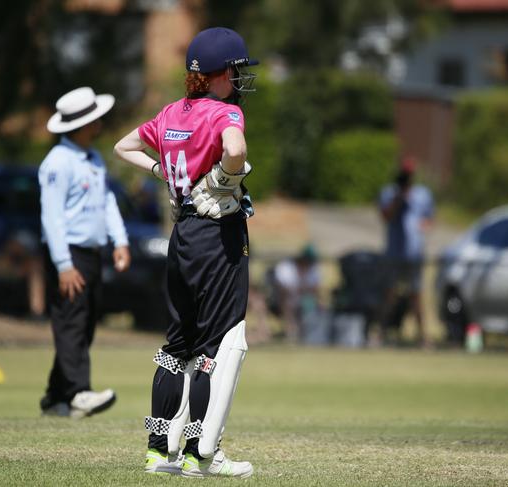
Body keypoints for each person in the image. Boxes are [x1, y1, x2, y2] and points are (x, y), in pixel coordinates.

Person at [114, 27, 257, 478]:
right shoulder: (225, 112)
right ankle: (202, 453)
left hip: (183, 235)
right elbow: (235, 150)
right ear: (218, 74)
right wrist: (224, 178)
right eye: (234, 70)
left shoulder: (173, 111)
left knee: (176, 347)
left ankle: (159, 449)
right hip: (218, 239)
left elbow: (124, 147)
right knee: (219, 347)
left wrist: (162, 170)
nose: (237, 78)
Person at [38, 87, 131, 418]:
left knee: (86, 322)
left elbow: (106, 202)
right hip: (68, 255)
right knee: (71, 323)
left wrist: (119, 241)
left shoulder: (93, 158)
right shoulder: (57, 163)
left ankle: (54, 397)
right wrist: (63, 264)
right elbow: (51, 217)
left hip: (91, 254)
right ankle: (78, 392)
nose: (100, 124)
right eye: (95, 120)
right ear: (80, 126)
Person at [377, 156, 434, 348]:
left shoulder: (423, 194)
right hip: (394, 253)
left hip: (414, 254)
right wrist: (398, 199)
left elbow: (429, 219)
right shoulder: (389, 192)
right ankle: (379, 334)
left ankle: (423, 337)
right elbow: (385, 216)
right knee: (389, 294)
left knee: (416, 295)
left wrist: (422, 227)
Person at [272, 244, 321, 341]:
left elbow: (315, 289)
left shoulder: (313, 269)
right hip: (284, 299)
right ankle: (291, 330)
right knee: (288, 301)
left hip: (305, 300)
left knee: (316, 304)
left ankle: (308, 334)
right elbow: (282, 288)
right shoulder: (286, 267)